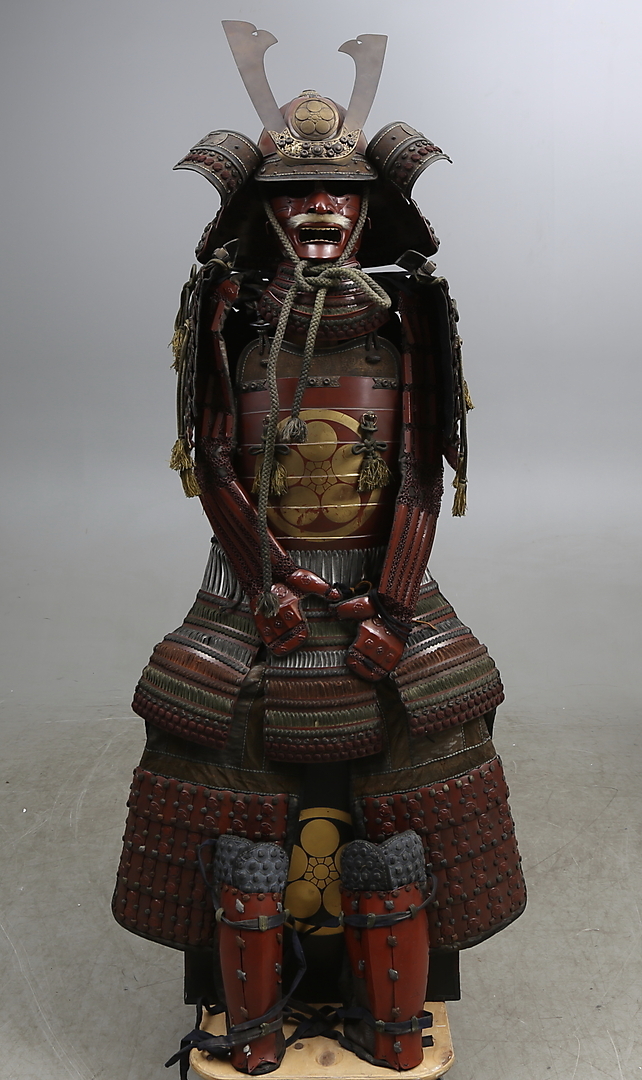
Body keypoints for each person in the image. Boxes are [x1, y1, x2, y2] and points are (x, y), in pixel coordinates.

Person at [113, 22, 526, 1075]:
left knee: (443, 728)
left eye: (340, 191)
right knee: (197, 731)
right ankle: (247, 1011)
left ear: (373, 206)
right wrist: (271, 585)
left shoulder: (412, 314)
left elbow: (421, 472)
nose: (319, 207)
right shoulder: (225, 315)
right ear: (260, 212)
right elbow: (214, 461)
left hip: (388, 582)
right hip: (249, 580)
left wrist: (391, 607)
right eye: (296, 194)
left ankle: (392, 1012)